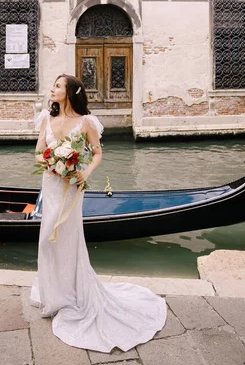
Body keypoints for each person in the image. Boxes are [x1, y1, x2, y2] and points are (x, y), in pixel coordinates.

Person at [30, 74, 167, 353]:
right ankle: (53, 295)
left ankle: (71, 295)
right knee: (46, 239)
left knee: (67, 240)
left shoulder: (86, 123)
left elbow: (97, 153)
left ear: (69, 93)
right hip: (52, 183)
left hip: (72, 187)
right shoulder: (46, 118)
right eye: (54, 86)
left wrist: (83, 172)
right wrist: (52, 163)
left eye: (57, 86)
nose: (52, 89)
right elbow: (37, 152)